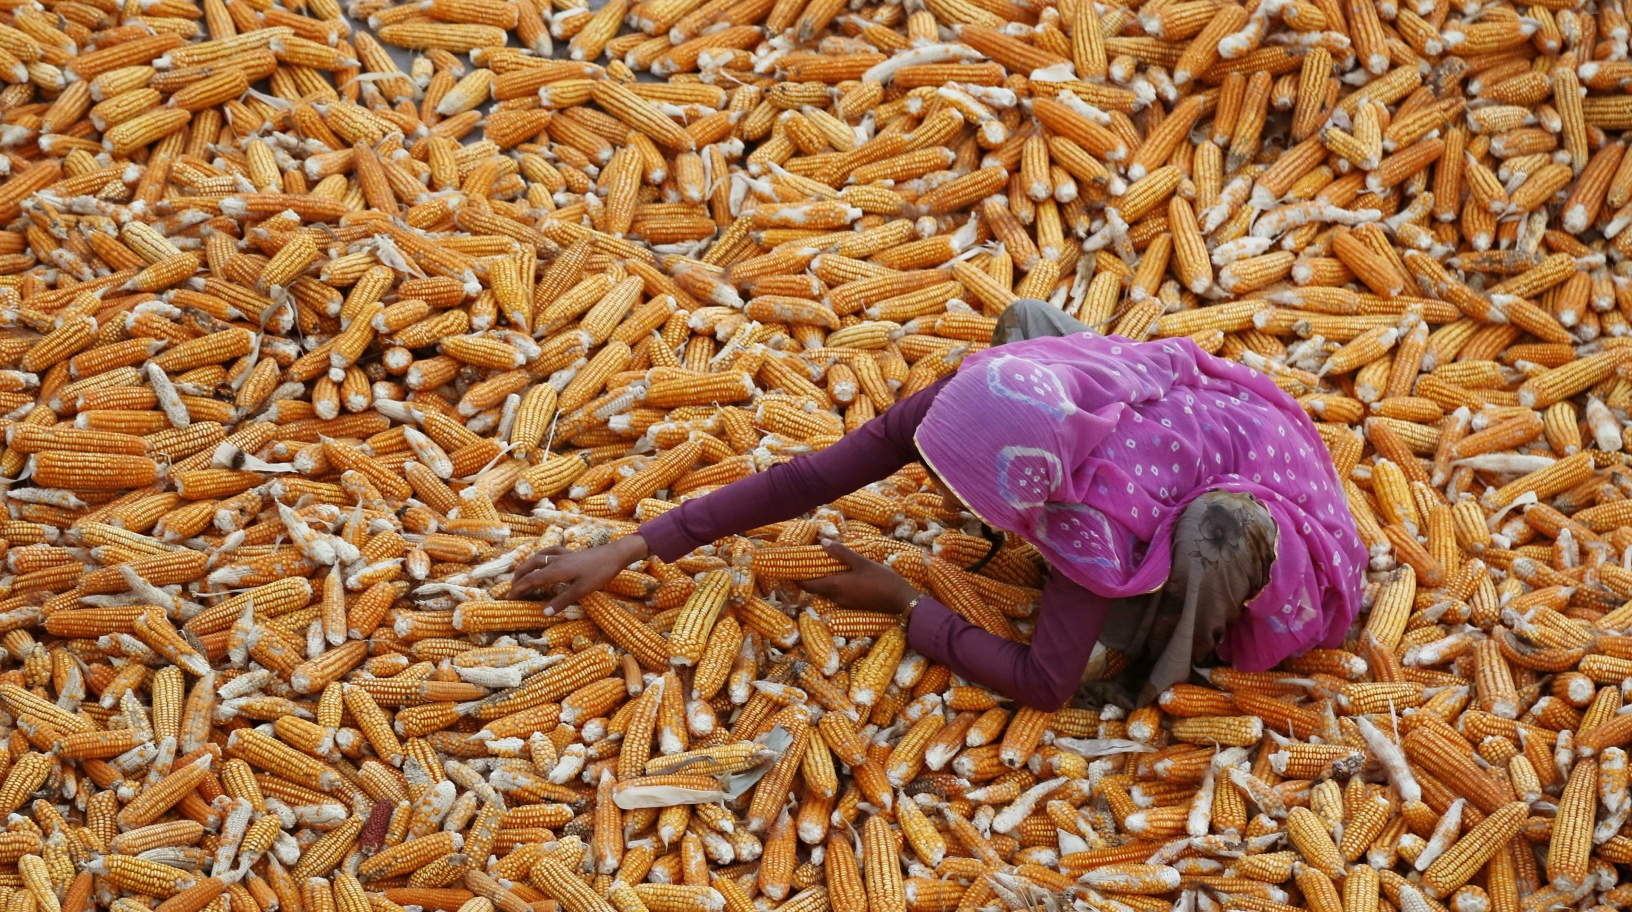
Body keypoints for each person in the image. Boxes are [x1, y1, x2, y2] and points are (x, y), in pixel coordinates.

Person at [509, 300, 1365, 711]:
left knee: (1209, 537)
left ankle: (1168, 664)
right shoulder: (963, 396)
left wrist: (907, 606)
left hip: (1270, 517)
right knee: (1026, 320)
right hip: (1163, 431)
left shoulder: (1090, 518)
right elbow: (809, 478)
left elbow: (1041, 683)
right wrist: (633, 545)